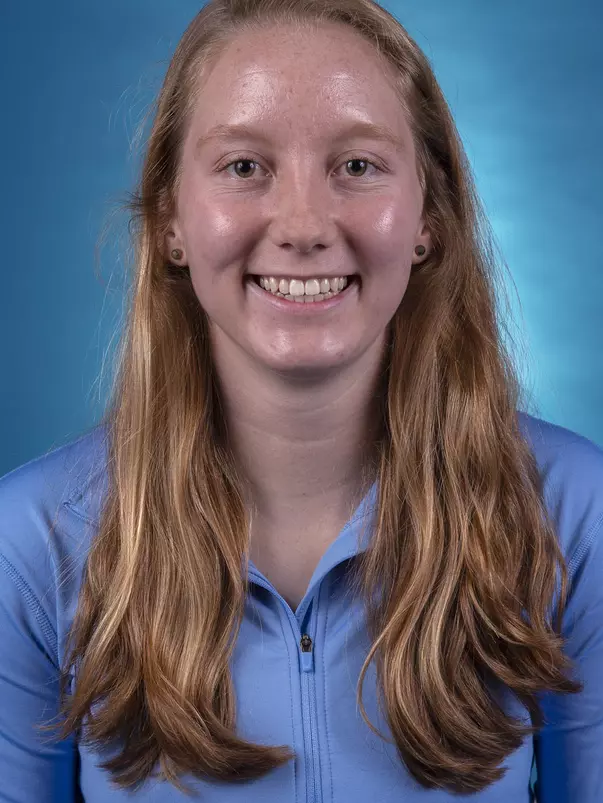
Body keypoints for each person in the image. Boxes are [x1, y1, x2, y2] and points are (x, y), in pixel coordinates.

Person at [1, 0, 602, 800]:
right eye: (244, 166)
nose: (304, 224)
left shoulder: (571, 513)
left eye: (356, 165)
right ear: (172, 218)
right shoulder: (33, 543)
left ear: (427, 216)